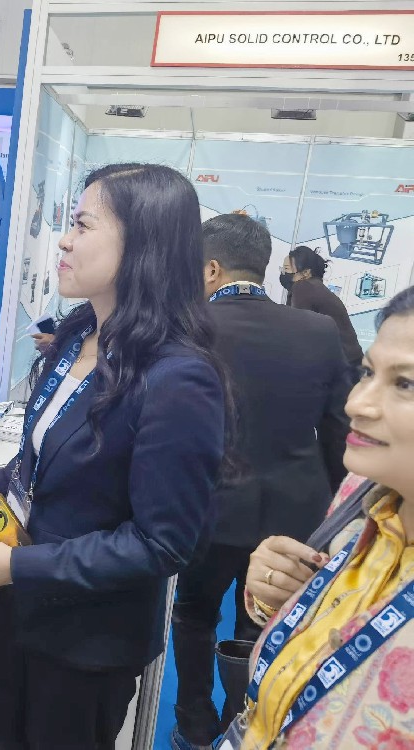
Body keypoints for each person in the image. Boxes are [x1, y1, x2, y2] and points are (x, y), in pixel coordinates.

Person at [0, 163, 229, 749]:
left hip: (87, 644)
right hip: (20, 611)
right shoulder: (77, 337)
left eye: (83, 225)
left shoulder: (178, 377)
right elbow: (35, 464)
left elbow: (162, 543)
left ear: (143, 246)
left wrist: (16, 567)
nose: (63, 241)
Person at [169, 214, 352, 750]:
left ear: (211, 269)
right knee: (266, 626)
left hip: (208, 511)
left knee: (194, 613)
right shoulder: (317, 331)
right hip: (295, 515)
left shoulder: (189, 329)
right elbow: (339, 434)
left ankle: (194, 722)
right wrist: (332, 513)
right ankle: (243, 722)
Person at [232, 286, 414, 749]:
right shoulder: (362, 494)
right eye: (367, 373)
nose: (357, 403)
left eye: (405, 384)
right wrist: (280, 592)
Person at [281, 245, 363, 375]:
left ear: (306, 273)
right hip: (351, 364)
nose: (283, 273)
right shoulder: (315, 286)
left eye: (286, 269)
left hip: (341, 368)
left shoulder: (303, 287)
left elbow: (298, 333)